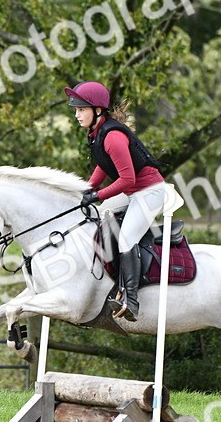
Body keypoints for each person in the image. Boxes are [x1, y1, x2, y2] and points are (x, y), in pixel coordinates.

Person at [64, 81, 167, 321]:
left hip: (150, 192)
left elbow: (128, 179)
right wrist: (87, 190)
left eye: (81, 109)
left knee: (126, 238)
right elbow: (103, 164)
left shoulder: (112, 136)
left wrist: (98, 195)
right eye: (76, 110)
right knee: (97, 219)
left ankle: (131, 300)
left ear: (97, 110)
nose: (76, 114)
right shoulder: (98, 133)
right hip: (132, 191)